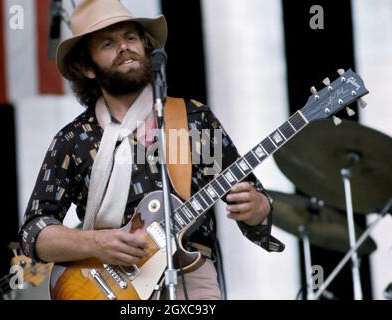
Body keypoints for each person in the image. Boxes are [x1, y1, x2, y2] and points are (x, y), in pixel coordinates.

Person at [19, 0, 284, 300]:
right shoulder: (73, 140)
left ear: (146, 48)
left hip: (190, 278)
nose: (124, 47)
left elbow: (253, 201)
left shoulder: (193, 120)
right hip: (105, 289)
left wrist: (256, 207)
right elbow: (34, 232)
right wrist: (96, 243)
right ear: (86, 67)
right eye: (108, 43)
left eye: (131, 38)